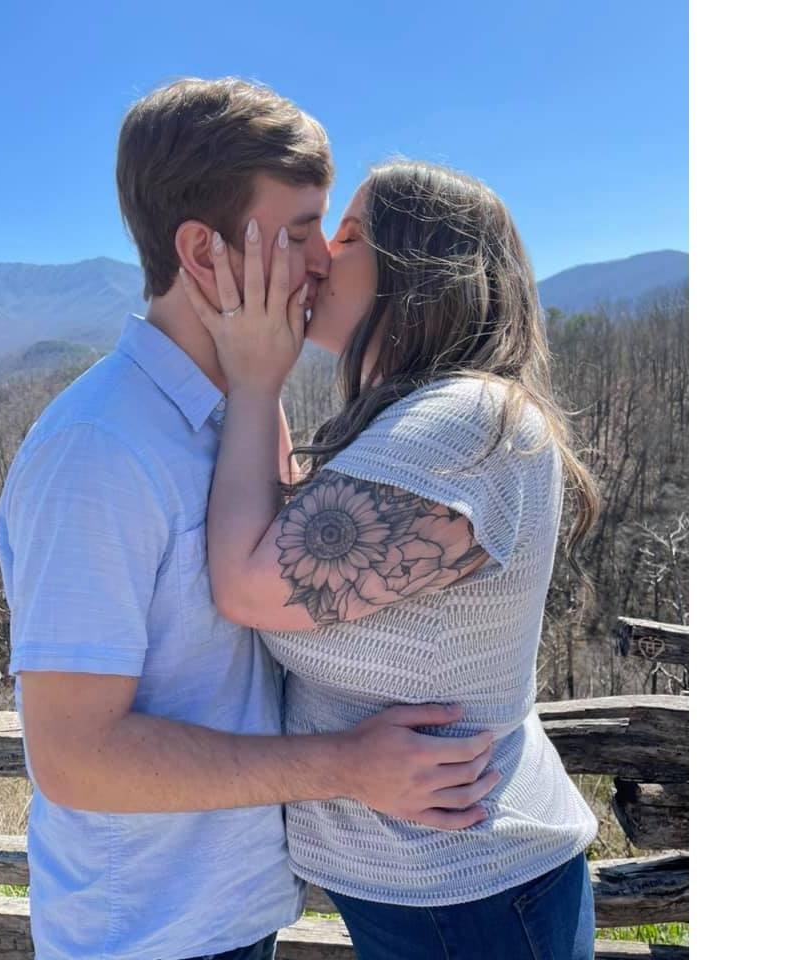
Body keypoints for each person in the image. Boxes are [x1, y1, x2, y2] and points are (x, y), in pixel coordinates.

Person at [0, 79, 502, 960]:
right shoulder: (99, 452)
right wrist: (346, 764)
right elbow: (74, 756)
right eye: (300, 232)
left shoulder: (230, 414)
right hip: (147, 936)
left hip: (230, 915)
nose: (324, 262)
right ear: (202, 250)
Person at [177, 159, 602, 960]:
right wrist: (259, 377)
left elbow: (249, 583)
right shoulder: (416, 418)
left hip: (471, 893)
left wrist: (254, 382)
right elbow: (284, 530)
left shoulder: (465, 424)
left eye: (348, 237)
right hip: (437, 885)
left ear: (420, 270)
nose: (318, 259)